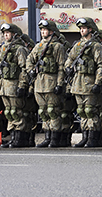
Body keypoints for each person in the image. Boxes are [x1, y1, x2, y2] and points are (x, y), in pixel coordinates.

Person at [64, 17, 102, 148]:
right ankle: (85, 136)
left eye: (84, 28)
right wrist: (68, 68)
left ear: (90, 29)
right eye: (80, 28)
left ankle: (93, 138)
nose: (81, 30)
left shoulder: (96, 46)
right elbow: (69, 59)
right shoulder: (77, 45)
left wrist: (98, 83)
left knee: (90, 111)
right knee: (81, 111)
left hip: (90, 82)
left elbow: (101, 66)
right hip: (78, 82)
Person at [26, 19, 69, 148]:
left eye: (45, 30)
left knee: (53, 111)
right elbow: (29, 60)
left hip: (52, 81)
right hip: (39, 83)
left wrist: (59, 84)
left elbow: (62, 66)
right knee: (43, 111)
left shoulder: (57, 46)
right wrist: (31, 71)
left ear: (51, 31)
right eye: (42, 30)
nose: (43, 32)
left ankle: (55, 138)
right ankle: (47, 136)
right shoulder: (38, 46)